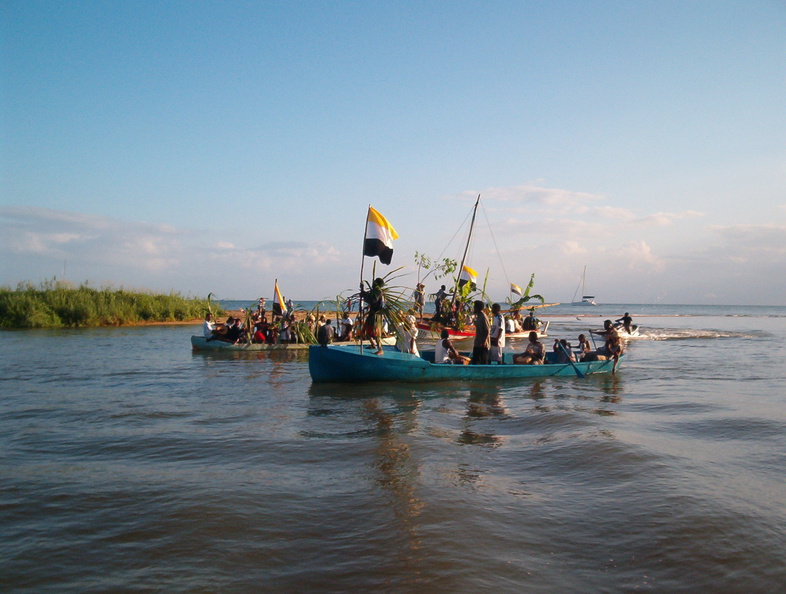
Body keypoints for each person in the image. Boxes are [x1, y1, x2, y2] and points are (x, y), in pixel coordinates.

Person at [360, 277, 386, 355]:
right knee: (367, 331)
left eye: (374, 282)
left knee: (375, 333)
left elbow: (372, 300)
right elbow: (369, 297)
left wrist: (364, 295)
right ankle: (373, 344)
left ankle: (380, 349)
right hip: (372, 314)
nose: (373, 283)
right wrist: (362, 290)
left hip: (376, 315)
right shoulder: (374, 291)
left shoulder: (378, 292)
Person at [470, 300, 490, 365]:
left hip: (483, 344)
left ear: (478, 308)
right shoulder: (478, 316)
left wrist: (484, 342)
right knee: (475, 361)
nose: (474, 308)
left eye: (475, 307)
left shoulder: (483, 317)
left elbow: (487, 330)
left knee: (483, 361)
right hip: (478, 343)